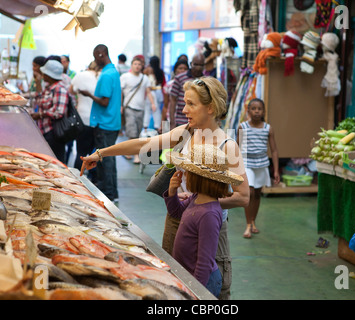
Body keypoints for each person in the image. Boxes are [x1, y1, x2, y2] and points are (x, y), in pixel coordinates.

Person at [80, 76, 250, 300]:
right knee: (172, 285)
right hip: (178, 217)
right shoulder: (188, 132)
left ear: (210, 107)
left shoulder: (227, 145)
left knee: (207, 291)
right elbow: (143, 145)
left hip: (210, 227)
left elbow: (243, 196)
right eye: (185, 103)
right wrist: (101, 153)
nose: (185, 110)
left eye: (191, 104)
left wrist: (206, 203)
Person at [163, 144, 244, 298]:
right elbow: (176, 212)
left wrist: (195, 292)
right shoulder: (196, 198)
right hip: (188, 275)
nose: (185, 175)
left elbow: (204, 263)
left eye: (189, 172)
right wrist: (172, 192)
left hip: (201, 282)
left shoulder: (209, 214)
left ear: (199, 179)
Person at [78, 44, 121, 202]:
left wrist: (88, 94)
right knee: (110, 158)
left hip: (104, 123)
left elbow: (104, 101)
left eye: (95, 56)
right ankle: (112, 192)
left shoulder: (106, 75)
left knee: (104, 160)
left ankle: (107, 194)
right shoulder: (113, 72)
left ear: (101, 54)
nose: (94, 60)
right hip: (112, 122)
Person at [237, 98, 280, 238]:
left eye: (259, 109)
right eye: (253, 108)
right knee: (249, 192)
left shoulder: (268, 128)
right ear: (248, 111)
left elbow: (273, 150)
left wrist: (276, 170)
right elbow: (237, 149)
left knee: (257, 194)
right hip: (247, 164)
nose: (256, 111)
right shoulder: (243, 127)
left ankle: (253, 221)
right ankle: (248, 225)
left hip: (262, 165)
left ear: (263, 112)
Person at [31, 60, 71, 163]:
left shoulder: (59, 89)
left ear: (49, 75)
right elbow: (40, 101)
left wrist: (40, 115)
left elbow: (58, 112)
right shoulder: (49, 88)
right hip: (46, 132)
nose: (42, 74)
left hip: (54, 134)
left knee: (56, 163)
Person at [120, 54, 156, 164]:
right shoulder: (125, 77)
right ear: (131, 65)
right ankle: (136, 155)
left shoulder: (144, 78)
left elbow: (148, 91)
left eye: (139, 64)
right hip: (129, 107)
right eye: (135, 64)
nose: (137, 66)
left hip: (141, 109)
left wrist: (153, 103)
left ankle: (128, 151)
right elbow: (120, 93)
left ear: (142, 66)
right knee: (133, 132)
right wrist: (120, 106)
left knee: (136, 131)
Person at [70, 61, 101, 177]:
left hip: (82, 118)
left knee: (81, 152)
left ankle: (77, 177)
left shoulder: (80, 75)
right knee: (95, 153)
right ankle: (94, 178)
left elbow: (71, 91)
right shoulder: (102, 77)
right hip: (98, 120)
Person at [169, 53, 205, 129]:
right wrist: (172, 122)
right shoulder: (179, 78)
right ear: (191, 64)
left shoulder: (206, 80)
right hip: (181, 122)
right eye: (196, 64)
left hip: (199, 123)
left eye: (201, 65)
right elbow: (172, 101)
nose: (198, 68)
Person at [162, 59, 189, 125]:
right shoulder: (168, 85)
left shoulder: (190, 84)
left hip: (186, 120)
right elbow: (166, 105)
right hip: (170, 119)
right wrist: (163, 122)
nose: (182, 70)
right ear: (175, 70)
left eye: (185, 69)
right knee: (168, 135)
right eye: (180, 68)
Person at [143, 56, 166, 133]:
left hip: (149, 92)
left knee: (148, 110)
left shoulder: (146, 71)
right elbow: (163, 83)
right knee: (157, 110)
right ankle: (157, 127)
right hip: (158, 91)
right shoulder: (160, 71)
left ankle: (146, 127)